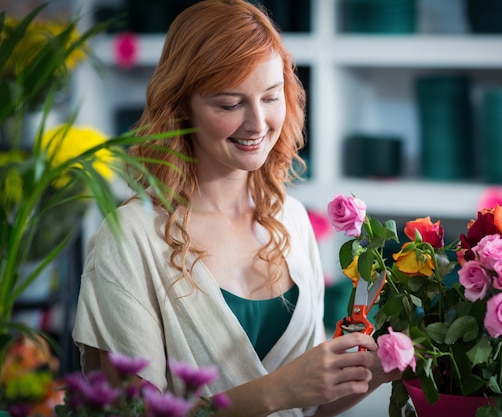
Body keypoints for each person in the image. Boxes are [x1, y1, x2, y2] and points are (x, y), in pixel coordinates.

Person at [72, 1, 400, 416]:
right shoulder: (129, 237)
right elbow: (128, 412)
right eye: (230, 104)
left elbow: (308, 405)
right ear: (180, 106)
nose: (258, 123)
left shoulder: (292, 219)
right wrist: (277, 391)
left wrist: (379, 369)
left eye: (270, 96)